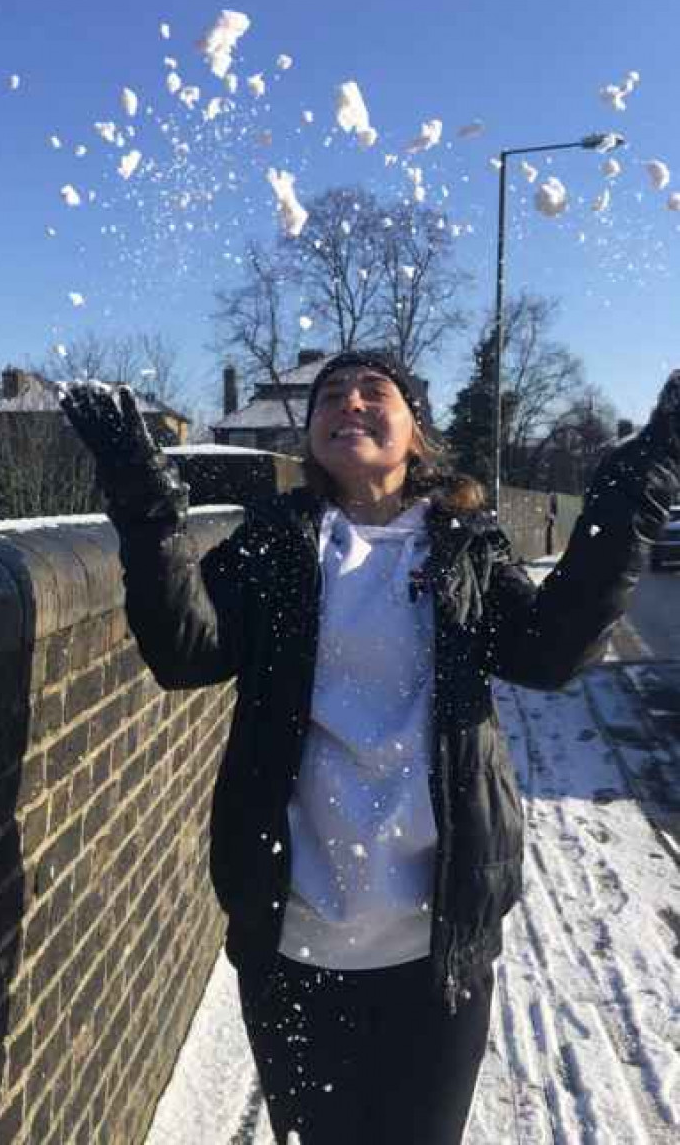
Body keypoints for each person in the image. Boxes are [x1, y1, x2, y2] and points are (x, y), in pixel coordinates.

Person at [59, 352, 680, 1145]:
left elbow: (549, 653)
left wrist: (644, 473)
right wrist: (142, 495)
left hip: (437, 948)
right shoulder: (274, 544)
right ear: (311, 433)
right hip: (293, 942)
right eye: (328, 396)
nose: (347, 402)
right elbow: (185, 654)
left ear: (413, 431)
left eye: (372, 392)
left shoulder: (463, 549)